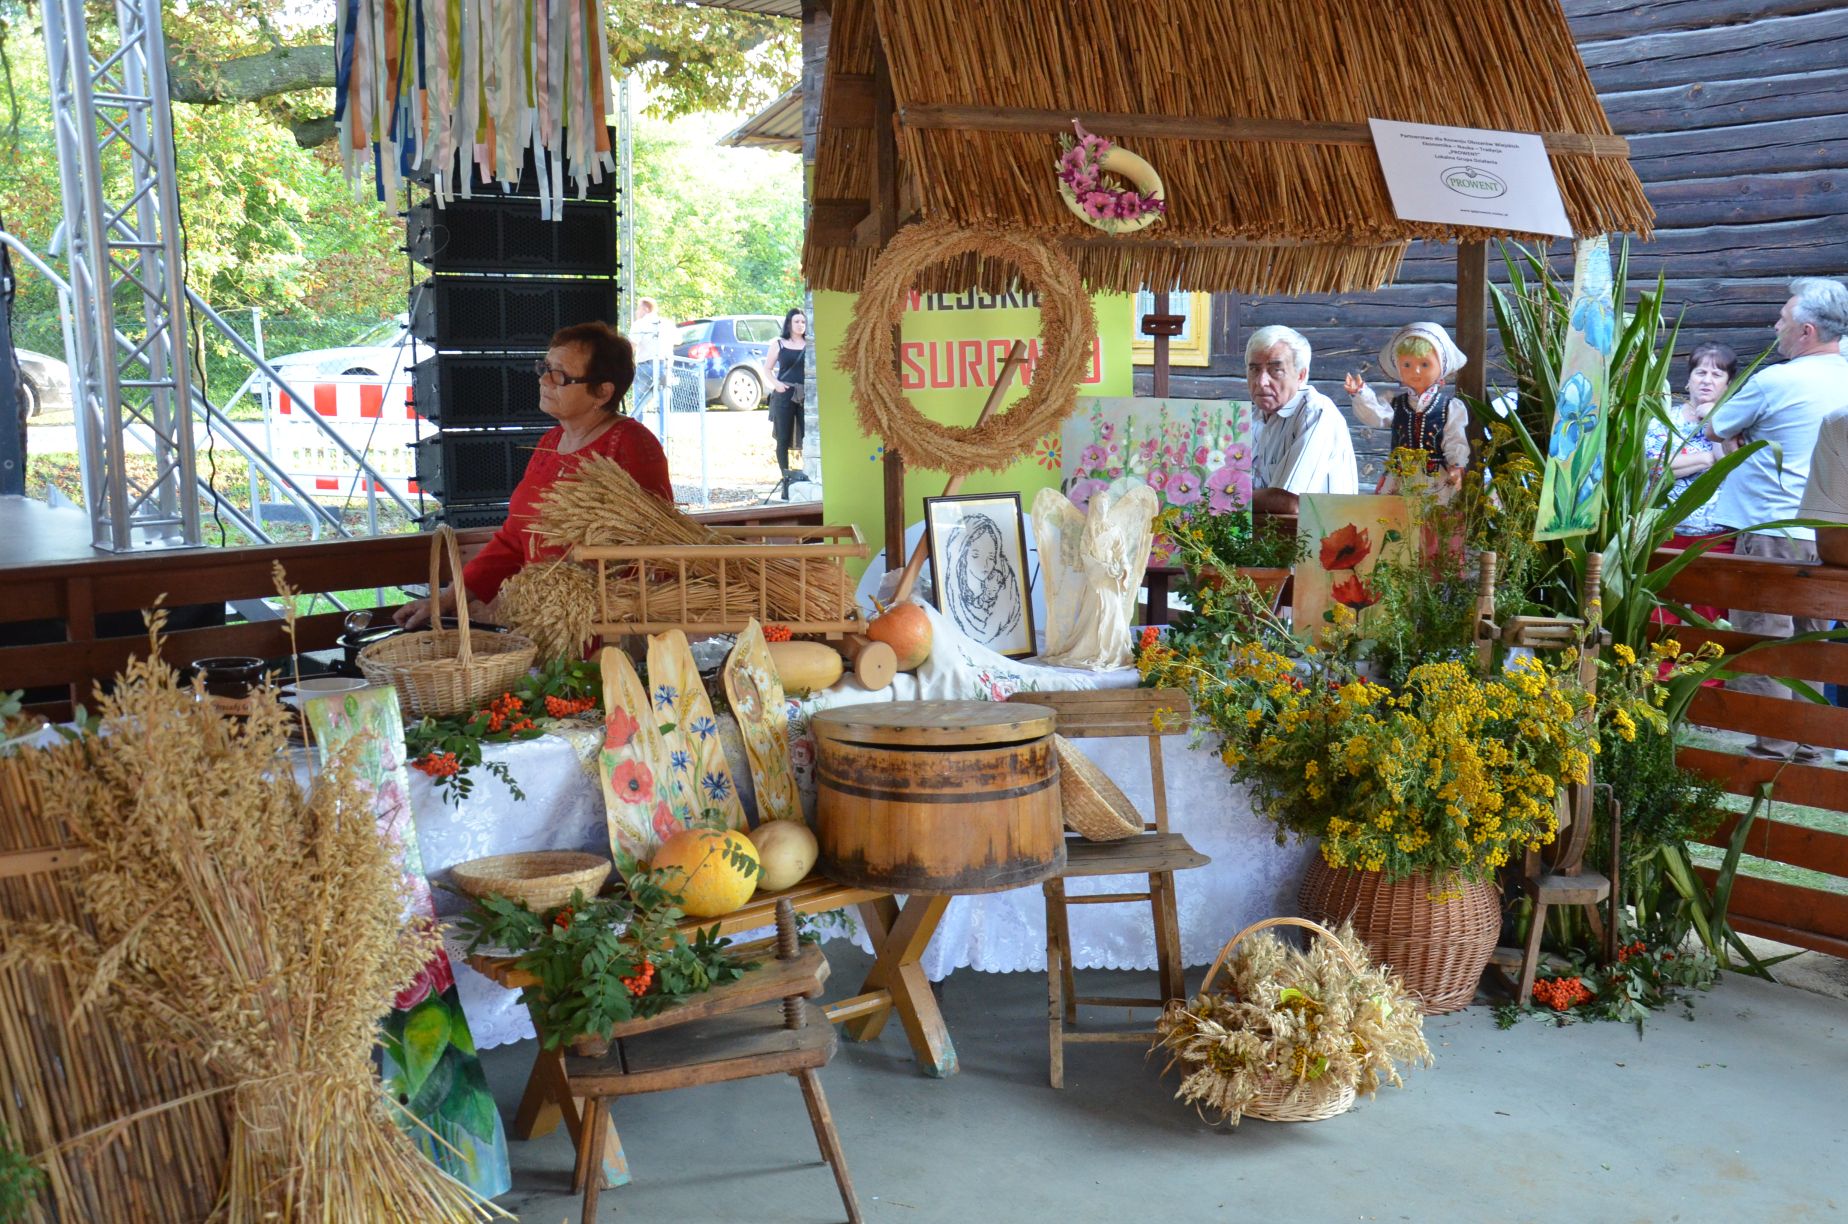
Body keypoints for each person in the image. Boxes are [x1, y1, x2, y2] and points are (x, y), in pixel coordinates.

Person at [395, 322, 672, 629]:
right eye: (544, 367)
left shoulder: (631, 444)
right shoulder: (550, 443)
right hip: (544, 619)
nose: (544, 380)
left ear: (602, 392)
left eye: (559, 375)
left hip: (604, 626)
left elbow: (653, 545)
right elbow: (515, 538)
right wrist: (451, 597)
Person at [1703, 278, 1848, 760]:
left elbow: (1715, 426)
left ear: (1806, 331)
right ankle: (1810, 746)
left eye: (1782, 322)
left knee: (1764, 638)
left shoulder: (1775, 380)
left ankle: (1772, 746)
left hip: (1769, 530)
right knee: (1813, 643)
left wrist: (1739, 444)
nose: (1774, 327)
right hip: (1828, 536)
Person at [1646, 341, 1738, 625]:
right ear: (1688, 379)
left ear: (1728, 383)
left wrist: (1713, 420)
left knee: (1710, 613)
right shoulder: (1664, 419)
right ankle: (1656, 670)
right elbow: (1657, 468)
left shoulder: (1733, 420)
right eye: (1700, 373)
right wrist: (1710, 457)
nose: (1707, 381)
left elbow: (1735, 464)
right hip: (1668, 531)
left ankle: (1707, 671)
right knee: (1659, 611)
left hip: (1716, 534)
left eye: (1716, 375)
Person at [1344, 322, 1469, 496]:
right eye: (1407, 365)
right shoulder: (1394, 404)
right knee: (1393, 518)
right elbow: (1376, 416)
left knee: (1433, 518)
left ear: (1442, 367)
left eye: (1425, 364)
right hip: (1399, 479)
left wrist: (1456, 465)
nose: (1415, 371)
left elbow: (1455, 438)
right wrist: (1360, 394)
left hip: (1435, 480)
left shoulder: (1449, 408)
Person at [1245, 324, 1359, 515]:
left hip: (1319, 541)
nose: (1261, 381)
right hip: (1269, 539)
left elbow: (1290, 502)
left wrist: (1221, 497)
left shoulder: (1316, 412)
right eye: (1254, 369)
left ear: (1301, 375)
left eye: (1275, 370)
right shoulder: (1253, 418)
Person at [765, 308, 809, 499]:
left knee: (805, 437)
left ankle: (804, 475)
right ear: (789, 324)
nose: (800, 325)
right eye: (797, 321)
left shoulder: (810, 344)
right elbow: (767, 369)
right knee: (783, 438)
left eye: (803, 322)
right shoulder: (779, 344)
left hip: (806, 395)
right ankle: (786, 478)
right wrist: (777, 385)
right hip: (785, 394)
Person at [629, 298, 674, 417]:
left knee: (639, 402)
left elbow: (631, 346)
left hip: (645, 365)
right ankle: (664, 433)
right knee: (663, 401)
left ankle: (637, 430)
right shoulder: (667, 323)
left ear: (645, 308)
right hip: (664, 365)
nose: (636, 312)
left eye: (638, 308)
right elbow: (678, 340)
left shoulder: (639, 324)